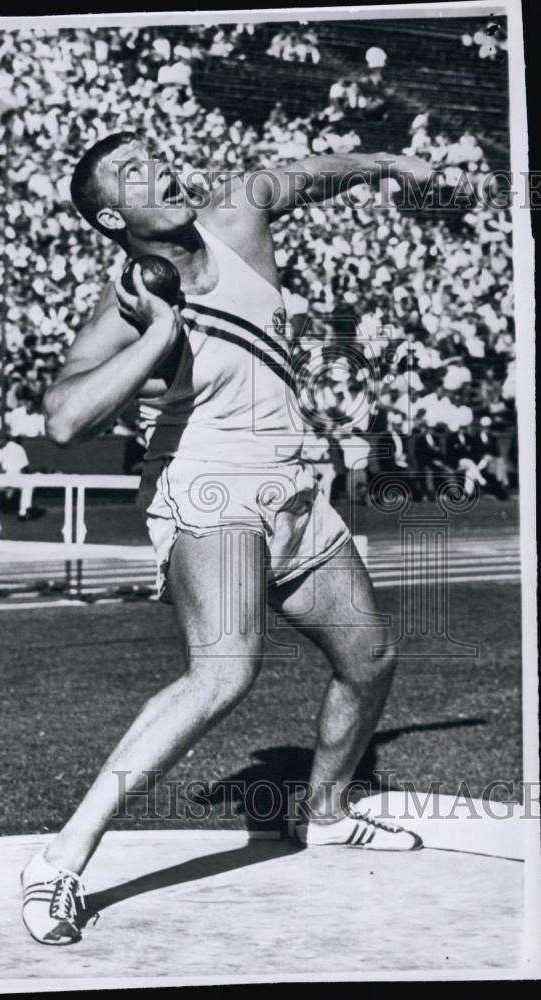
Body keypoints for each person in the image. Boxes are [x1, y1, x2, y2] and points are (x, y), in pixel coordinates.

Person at [25, 132, 430, 945]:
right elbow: (65, 417)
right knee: (224, 669)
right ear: (112, 217)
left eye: (154, 153)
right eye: (132, 171)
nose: (159, 169)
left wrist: (392, 165)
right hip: (205, 484)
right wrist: (155, 338)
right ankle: (58, 864)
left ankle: (320, 811)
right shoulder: (124, 303)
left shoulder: (237, 219)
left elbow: (312, 173)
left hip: (289, 482)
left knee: (370, 658)